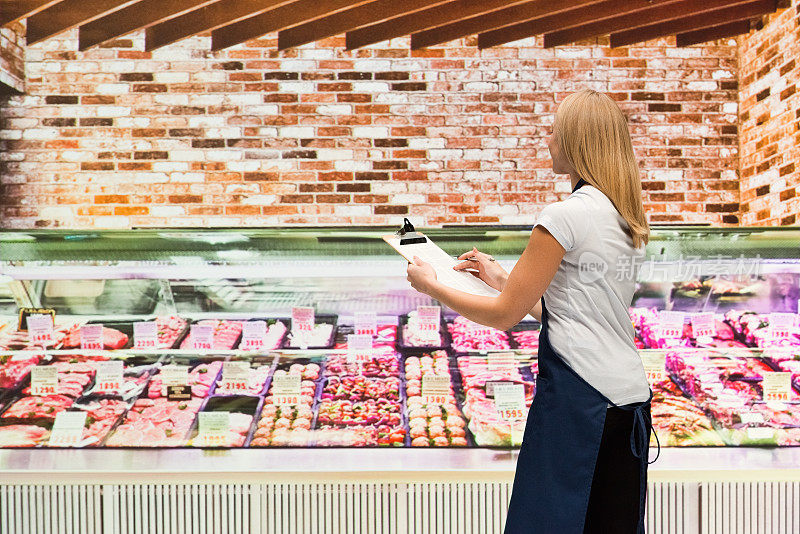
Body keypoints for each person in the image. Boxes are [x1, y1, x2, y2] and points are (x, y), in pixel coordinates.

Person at [406, 89, 657, 534]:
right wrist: (505, 280)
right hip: (629, 400)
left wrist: (434, 285)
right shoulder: (625, 215)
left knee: (548, 523)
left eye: (556, 131)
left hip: (582, 400)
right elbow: (577, 309)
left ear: (577, 141)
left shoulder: (564, 214)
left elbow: (504, 316)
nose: (549, 141)